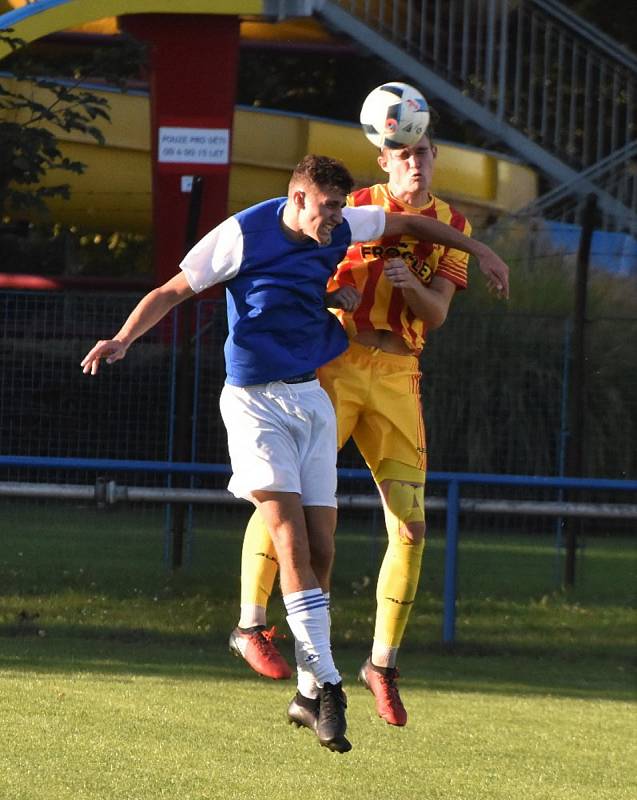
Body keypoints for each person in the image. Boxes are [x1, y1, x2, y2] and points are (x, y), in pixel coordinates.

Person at [81, 153, 508, 753]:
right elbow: (171, 290)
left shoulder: (339, 225)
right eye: (330, 207)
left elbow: (409, 226)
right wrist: (123, 338)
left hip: (311, 397)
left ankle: (307, 694)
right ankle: (327, 681)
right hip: (254, 405)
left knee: (323, 550)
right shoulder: (241, 234)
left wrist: (483, 251)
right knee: (289, 539)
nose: (340, 218)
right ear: (299, 198)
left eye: (343, 206)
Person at [231, 128, 510, 730]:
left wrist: (415, 290)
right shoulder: (351, 207)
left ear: (436, 159)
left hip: (397, 374)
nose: (415, 161)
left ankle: (380, 665)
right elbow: (313, 276)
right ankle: (253, 621)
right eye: (402, 152)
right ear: (383, 160)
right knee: (281, 499)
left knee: (411, 524)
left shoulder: (452, 226)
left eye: (423, 151)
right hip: (334, 366)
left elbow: (435, 316)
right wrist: (342, 290)